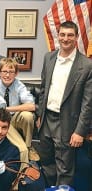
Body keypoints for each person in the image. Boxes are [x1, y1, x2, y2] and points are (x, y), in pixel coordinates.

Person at [37, 20, 92, 186]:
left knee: (65, 167)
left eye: (70, 35)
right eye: (62, 34)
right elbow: (43, 90)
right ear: (58, 36)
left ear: (76, 37)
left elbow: (88, 103)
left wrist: (80, 132)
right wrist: (40, 115)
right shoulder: (49, 57)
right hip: (46, 119)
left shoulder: (86, 65)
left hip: (68, 122)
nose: (65, 38)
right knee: (46, 162)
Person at [0, 57, 37, 161]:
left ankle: (28, 146)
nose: (7, 75)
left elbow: (32, 106)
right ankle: (24, 151)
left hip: (13, 120)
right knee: (21, 149)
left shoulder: (19, 85)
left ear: (16, 73)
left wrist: (7, 109)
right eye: (4, 71)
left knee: (27, 115)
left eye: (11, 72)